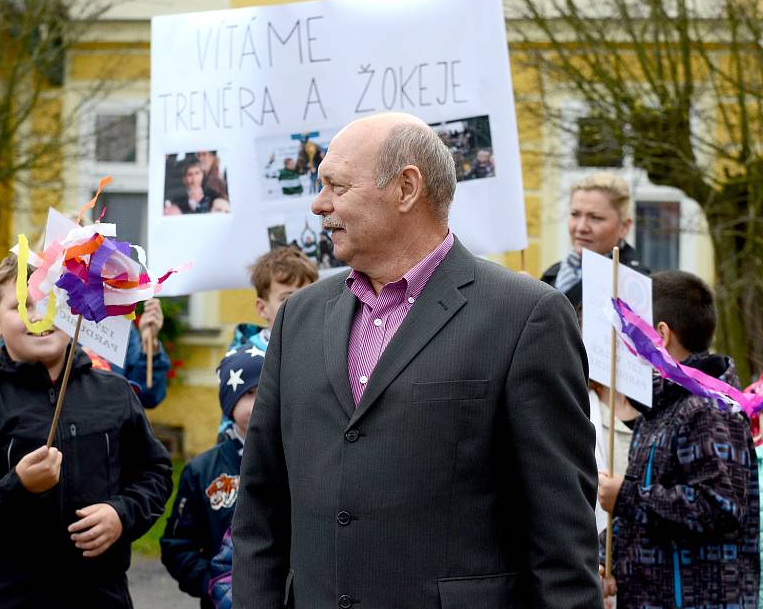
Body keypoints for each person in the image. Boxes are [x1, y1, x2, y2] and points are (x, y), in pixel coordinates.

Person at [230, 112, 602, 607]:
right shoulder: (299, 317)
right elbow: (261, 508)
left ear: (406, 188)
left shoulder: (526, 316)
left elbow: (560, 536)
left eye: (337, 186)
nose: (320, 205)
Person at [0, 254, 173, 609]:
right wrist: (17, 486)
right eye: (21, 305)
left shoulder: (115, 392)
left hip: (102, 598)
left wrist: (121, 514)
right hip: (14, 599)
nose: (38, 315)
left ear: (73, 310)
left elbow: (155, 473)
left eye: (49, 302)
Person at [598, 270, 759, 607]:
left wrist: (627, 497)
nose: (627, 344)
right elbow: (642, 515)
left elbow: (720, 507)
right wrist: (604, 556)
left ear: (662, 334)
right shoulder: (660, 408)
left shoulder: (711, 410)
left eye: (632, 331)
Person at [160, 344, 264, 609]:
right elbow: (177, 545)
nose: (260, 402)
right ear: (229, 403)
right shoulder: (202, 470)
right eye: (250, 393)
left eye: (268, 391)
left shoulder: (298, 460)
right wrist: (213, 584)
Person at [217, 247, 318, 436]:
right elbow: (230, 420)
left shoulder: (325, 350)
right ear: (262, 308)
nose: (300, 306)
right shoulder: (242, 360)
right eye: (287, 299)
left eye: (308, 296)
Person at [540, 173, 649, 308]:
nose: (581, 227)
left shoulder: (633, 282)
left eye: (595, 218)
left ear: (624, 227)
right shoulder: (554, 273)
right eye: (575, 214)